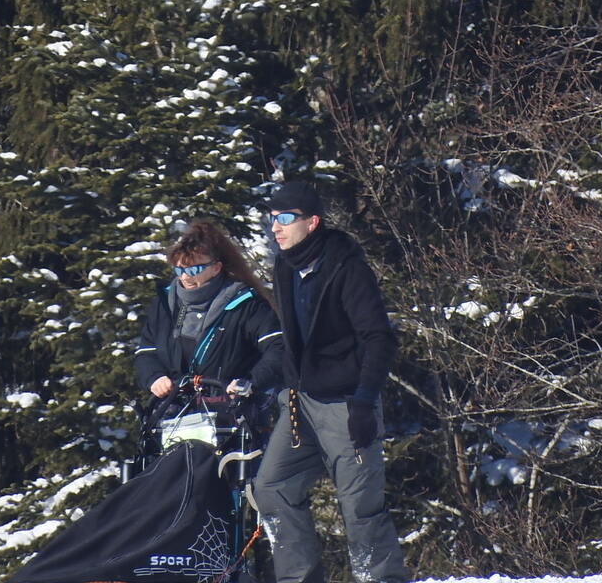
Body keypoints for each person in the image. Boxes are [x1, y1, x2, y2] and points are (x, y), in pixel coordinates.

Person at [253, 181, 407, 583]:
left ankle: (380, 579)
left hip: (346, 403)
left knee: (359, 505)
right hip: (301, 401)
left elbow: (379, 337)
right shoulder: (284, 268)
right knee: (272, 487)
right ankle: (298, 578)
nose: (276, 228)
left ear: (312, 221)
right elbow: (292, 340)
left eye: (285, 219)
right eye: (272, 220)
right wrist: (271, 382)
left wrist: (363, 399)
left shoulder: (346, 267)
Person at [134, 219, 283, 405]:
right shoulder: (165, 303)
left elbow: (278, 348)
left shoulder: (245, 303)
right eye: (179, 269)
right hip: (175, 410)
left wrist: (250, 382)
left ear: (216, 268)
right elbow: (146, 351)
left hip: (231, 410)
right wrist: (154, 378)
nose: (185, 276)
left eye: (194, 269)